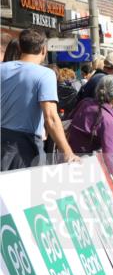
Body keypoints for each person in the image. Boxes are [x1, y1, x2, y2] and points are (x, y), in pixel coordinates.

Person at [0, 29, 80, 170]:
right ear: (44, 50)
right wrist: (68, 152)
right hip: (24, 146)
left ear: (20, 47)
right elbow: (51, 118)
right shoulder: (45, 74)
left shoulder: (2, 69)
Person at [67, 74, 113, 190]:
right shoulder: (109, 120)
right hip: (86, 167)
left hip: (68, 158)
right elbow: (109, 154)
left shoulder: (85, 103)